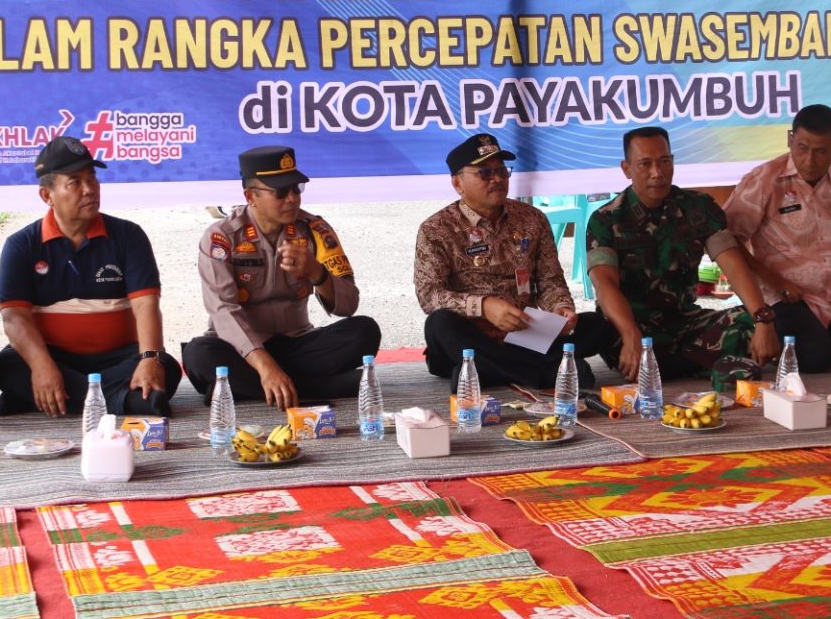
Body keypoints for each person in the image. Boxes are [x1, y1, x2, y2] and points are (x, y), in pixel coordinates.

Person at [0, 137, 181, 417]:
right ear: (47, 195)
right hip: (53, 356)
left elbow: (146, 305)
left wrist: (149, 358)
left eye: (92, 179)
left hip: (119, 356)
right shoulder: (22, 245)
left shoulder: (129, 236)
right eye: (75, 182)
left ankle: (43, 399)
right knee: (7, 366)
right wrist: (42, 366)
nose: (89, 189)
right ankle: (123, 401)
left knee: (166, 367)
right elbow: (14, 317)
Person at [183, 145, 381, 408]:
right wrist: (265, 366)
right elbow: (223, 310)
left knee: (365, 332)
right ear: (250, 196)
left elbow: (348, 307)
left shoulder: (314, 230)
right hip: (241, 351)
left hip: (296, 344)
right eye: (280, 192)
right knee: (198, 354)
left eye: (296, 189)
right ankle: (316, 387)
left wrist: (317, 273)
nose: (292, 199)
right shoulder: (222, 237)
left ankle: (247, 388)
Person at [414, 133, 609, 391]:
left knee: (597, 325)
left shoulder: (532, 219)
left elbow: (550, 281)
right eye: (485, 173)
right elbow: (429, 295)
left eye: (501, 171)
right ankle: (545, 373)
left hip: (524, 333)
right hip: (470, 335)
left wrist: (560, 307)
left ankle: (481, 371)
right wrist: (484, 307)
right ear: (458, 183)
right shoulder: (436, 229)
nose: (496, 179)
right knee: (439, 324)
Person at [586, 127, 780, 381]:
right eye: (645, 164)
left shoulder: (699, 207)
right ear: (626, 168)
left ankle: (675, 364)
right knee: (606, 333)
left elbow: (732, 264)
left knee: (754, 324)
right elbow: (605, 285)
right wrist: (631, 335)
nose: (657, 172)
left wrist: (762, 319)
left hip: (686, 321)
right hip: (632, 325)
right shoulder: (606, 219)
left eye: (664, 162)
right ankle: (701, 361)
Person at [723, 104, 831, 372]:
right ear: (790, 140)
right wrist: (775, 282)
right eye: (802, 148)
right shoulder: (765, 179)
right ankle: (799, 337)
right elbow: (729, 239)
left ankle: (824, 336)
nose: (809, 160)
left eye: (820, 151)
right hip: (785, 298)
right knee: (814, 358)